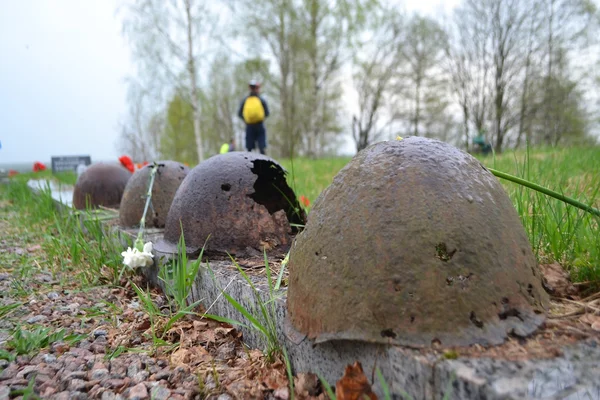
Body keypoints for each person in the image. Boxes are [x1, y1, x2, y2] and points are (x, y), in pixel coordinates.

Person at [238, 80, 270, 154]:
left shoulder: (245, 100)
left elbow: (239, 113)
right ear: (257, 88)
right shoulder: (261, 99)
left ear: (250, 88)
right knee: (262, 147)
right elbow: (267, 113)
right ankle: (264, 163)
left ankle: (248, 164)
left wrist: (246, 119)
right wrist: (261, 118)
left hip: (249, 125)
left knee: (249, 148)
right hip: (259, 124)